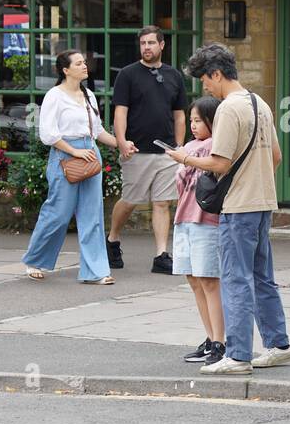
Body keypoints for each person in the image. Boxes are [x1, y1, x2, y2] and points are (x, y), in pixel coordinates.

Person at [167, 43, 290, 375]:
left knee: (235, 278)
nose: (205, 87)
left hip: (238, 207)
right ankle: (278, 345)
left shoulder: (227, 109)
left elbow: (219, 162)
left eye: (205, 80)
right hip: (264, 200)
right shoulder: (260, 103)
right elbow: (275, 157)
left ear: (216, 74)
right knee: (263, 277)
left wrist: (184, 158)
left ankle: (237, 354)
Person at [22, 51, 120, 284]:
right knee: (58, 213)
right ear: (66, 70)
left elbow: (97, 131)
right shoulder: (54, 96)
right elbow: (48, 134)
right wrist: (75, 151)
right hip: (65, 156)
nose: (85, 66)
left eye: (84, 62)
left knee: (92, 215)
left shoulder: (89, 95)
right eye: (79, 63)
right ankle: (35, 261)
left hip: (90, 155)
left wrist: (121, 144)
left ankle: (95, 272)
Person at [107, 26, 188, 274]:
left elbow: (180, 115)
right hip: (136, 150)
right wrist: (121, 140)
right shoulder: (127, 75)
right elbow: (120, 111)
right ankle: (112, 240)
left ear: (162, 45)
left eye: (151, 43)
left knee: (162, 203)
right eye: (143, 43)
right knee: (131, 200)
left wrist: (179, 146)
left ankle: (161, 255)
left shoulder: (174, 75)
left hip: (166, 151)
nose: (147, 48)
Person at [173, 96, 225, 366]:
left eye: (198, 120)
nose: (193, 126)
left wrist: (186, 159)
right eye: (190, 120)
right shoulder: (189, 147)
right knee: (193, 280)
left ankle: (221, 342)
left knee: (209, 281)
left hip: (206, 220)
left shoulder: (216, 145)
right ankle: (209, 338)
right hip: (184, 217)